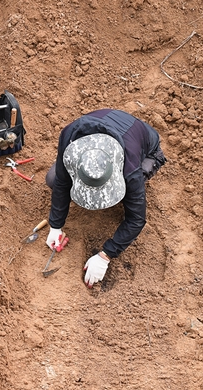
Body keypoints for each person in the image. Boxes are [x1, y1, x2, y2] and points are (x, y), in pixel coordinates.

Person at [44, 109, 167, 287]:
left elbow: (136, 219)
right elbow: (62, 182)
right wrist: (55, 225)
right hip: (103, 121)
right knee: (53, 179)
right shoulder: (69, 135)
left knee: (133, 188)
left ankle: (139, 173)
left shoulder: (129, 167)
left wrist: (105, 255)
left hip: (143, 144)